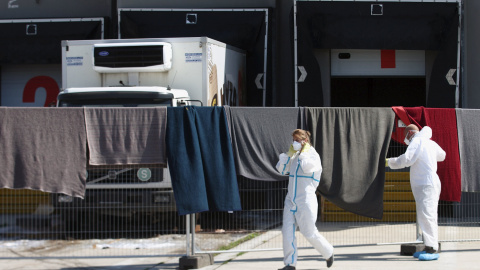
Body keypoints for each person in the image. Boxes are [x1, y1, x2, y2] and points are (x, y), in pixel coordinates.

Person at [386, 124, 446, 261]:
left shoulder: (417, 141)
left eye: (405, 135)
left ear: (410, 133)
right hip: (429, 183)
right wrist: (428, 156)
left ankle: (431, 248)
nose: (404, 138)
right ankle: (428, 246)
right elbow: (442, 155)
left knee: (427, 216)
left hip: (425, 184)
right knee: (427, 215)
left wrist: (390, 162)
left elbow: (406, 159)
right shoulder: (430, 143)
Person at [276, 129, 334, 270]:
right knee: (287, 230)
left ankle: (328, 252)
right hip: (291, 199)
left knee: (309, 232)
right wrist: (288, 155)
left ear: (305, 141)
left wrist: (304, 153)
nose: (294, 143)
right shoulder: (295, 156)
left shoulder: (313, 156)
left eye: (297, 140)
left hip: (306, 199)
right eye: (293, 140)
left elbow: (308, 167)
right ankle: (290, 264)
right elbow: (281, 170)